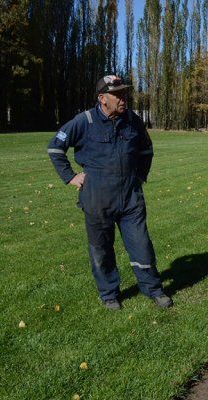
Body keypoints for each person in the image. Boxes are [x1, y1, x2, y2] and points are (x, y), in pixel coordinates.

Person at [46, 75, 172, 310]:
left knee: (142, 246)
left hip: (130, 197)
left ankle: (153, 289)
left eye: (124, 94)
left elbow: (146, 150)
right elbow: (55, 147)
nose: (123, 98)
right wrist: (71, 177)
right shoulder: (84, 121)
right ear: (102, 98)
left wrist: (140, 177)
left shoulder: (132, 120)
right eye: (117, 95)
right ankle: (109, 294)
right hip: (97, 198)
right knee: (101, 250)